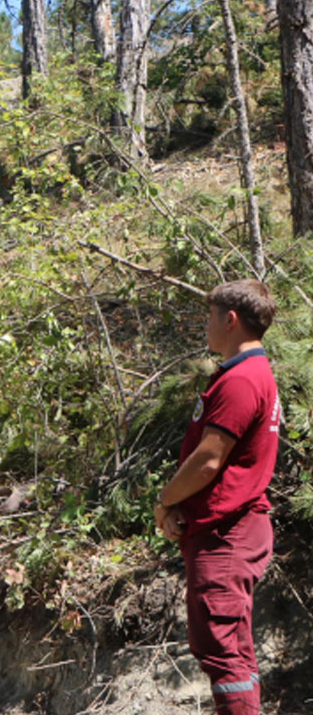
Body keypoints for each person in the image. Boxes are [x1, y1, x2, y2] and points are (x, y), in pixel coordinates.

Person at [154, 279, 279, 715]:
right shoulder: (247, 374)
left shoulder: (242, 380)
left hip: (229, 535)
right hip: (229, 530)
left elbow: (209, 460)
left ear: (230, 320)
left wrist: (166, 500)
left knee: (222, 652)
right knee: (234, 653)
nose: (205, 325)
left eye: (210, 316)